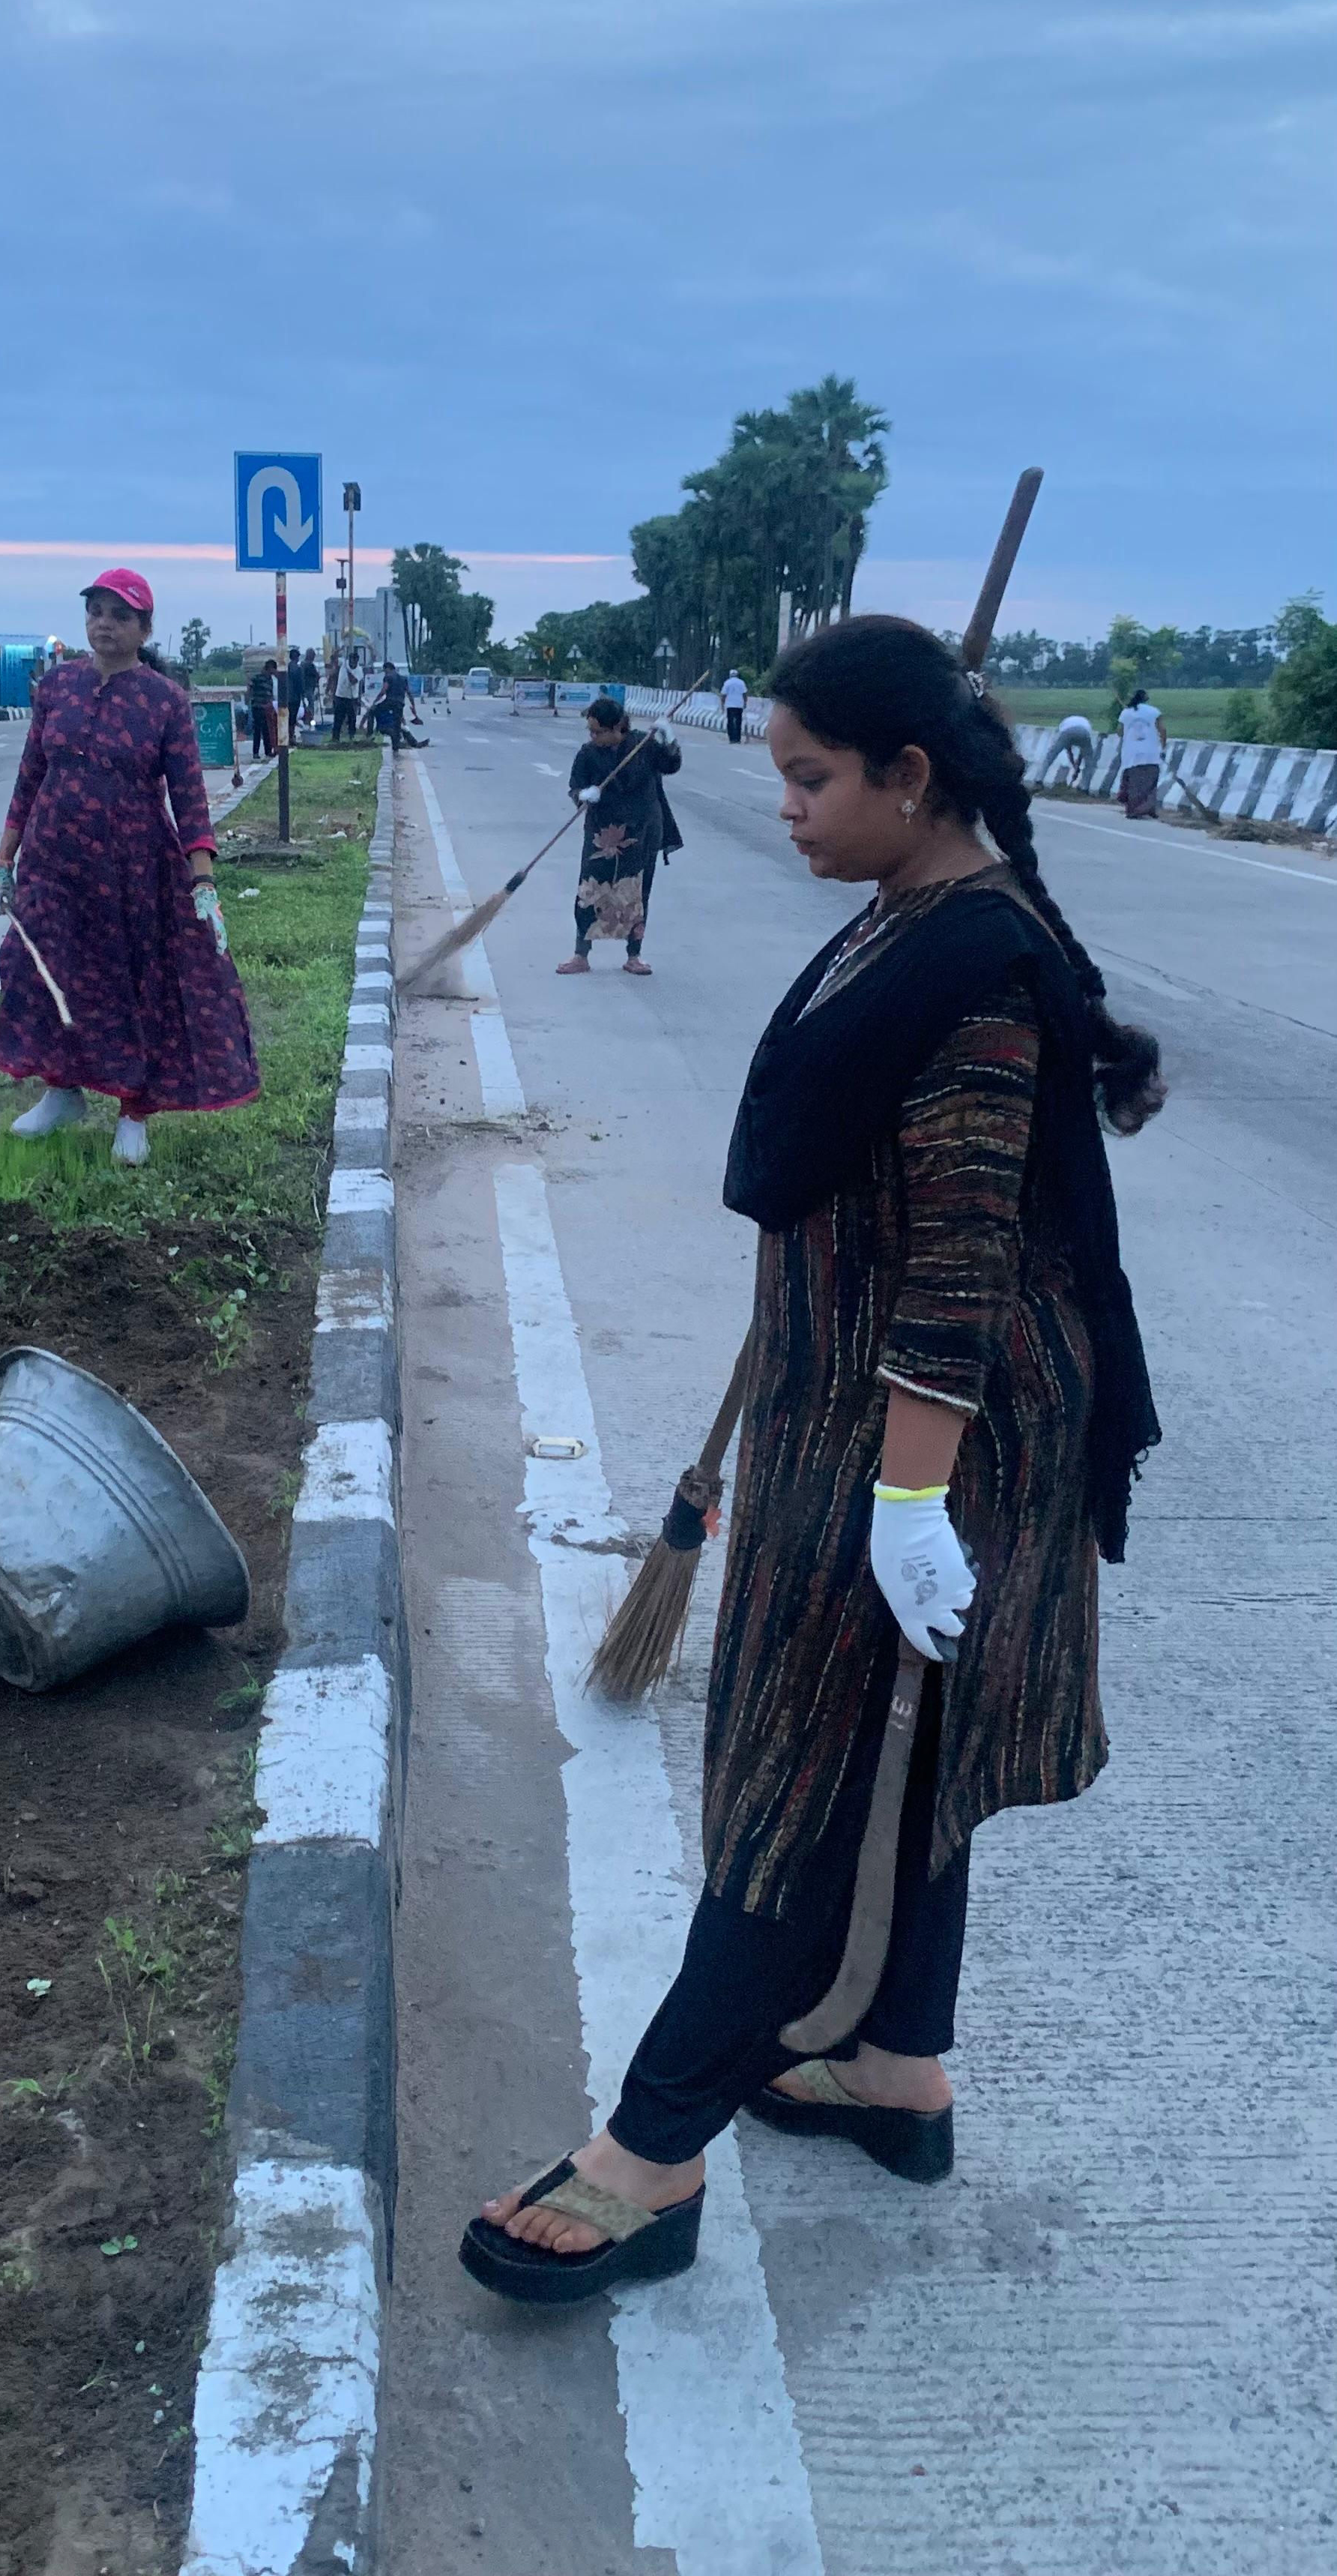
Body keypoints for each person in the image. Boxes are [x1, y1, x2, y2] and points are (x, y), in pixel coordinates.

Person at [461, 616, 1162, 2307]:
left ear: (908, 776)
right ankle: (891, 2065)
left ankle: (652, 2149)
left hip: (928, 1438)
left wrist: (909, 1502)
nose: (780, 804)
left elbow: (963, 1266)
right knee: (897, 1761)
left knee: (807, 1776)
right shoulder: (917, 912)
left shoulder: (976, 965)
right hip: (852, 1403)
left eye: (810, 776)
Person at [0, 568, 258, 1169]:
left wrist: (204, 883)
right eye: (96, 611)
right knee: (44, 971)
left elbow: (189, 799)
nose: (104, 624)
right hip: (54, 864)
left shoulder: (164, 701)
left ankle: (134, 1111)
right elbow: (30, 778)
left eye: (120, 615)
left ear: (144, 629)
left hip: (133, 871)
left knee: (133, 985)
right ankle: (61, 1092)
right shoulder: (57, 687)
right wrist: (5, 859)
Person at [555, 697, 681, 978]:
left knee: (637, 890)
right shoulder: (588, 754)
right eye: (590, 731)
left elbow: (671, 765)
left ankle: (634, 955)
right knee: (590, 888)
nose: (593, 736)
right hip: (602, 833)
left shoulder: (644, 744)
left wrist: (669, 739)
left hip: (642, 830)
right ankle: (581, 954)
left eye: (598, 731)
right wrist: (583, 795)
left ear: (617, 728)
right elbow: (575, 787)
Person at [1117, 687, 1165, 818]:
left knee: (1134, 784)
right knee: (1150, 783)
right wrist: (1163, 747)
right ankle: (1148, 808)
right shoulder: (1154, 711)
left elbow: (1120, 732)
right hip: (1151, 753)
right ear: (1145, 698)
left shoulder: (1126, 713)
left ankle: (1133, 810)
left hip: (1131, 754)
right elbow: (1162, 730)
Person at [1050, 711, 1096, 786]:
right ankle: (1085, 786)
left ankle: (1039, 780)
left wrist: (1075, 765)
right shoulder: (1086, 722)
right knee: (1089, 762)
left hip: (1068, 732)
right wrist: (1076, 765)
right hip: (1084, 732)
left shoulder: (1065, 722)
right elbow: (1083, 751)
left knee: (1050, 756)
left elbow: (1069, 751)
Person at [248, 660, 279, 760]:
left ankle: (268, 751)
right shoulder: (258, 677)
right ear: (270, 668)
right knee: (257, 730)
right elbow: (249, 686)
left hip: (267, 708)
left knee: (267, 730)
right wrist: (252, 698)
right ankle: (256, 753)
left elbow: (270, 694)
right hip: (258, 707)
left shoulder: (270, 679)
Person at [331, 651, 360, 745]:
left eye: (354, 662)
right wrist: (338, 651)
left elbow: (353, 681)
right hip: (340, 696)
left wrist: (348, 671)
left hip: (351, 698)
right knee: (338, 718)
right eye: (351, 661)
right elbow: (333, 659)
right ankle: (335, 737)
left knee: (352, 718)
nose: (352, 664)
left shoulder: (359, 670)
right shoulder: (344, 663)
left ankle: (352, 736)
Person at [722, 667, 749, 744]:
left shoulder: (727, 682)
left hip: (730, 705)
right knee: (738, 722)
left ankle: (732, 739)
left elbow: (723, 695)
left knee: (730, 721)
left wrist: (722, 704)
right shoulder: (741, 682)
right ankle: (738, 739)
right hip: (739, 705)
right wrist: (745, 703)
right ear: (737, 675)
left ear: (730, 675)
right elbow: (744, 694)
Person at [299, 648, 320, 726]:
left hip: (310, 688)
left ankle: (309, 719)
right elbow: (304, 677)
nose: (314, 657)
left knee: (311, 704)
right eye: (313, 655)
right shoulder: (306, 665)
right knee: (309, 705)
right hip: (307, 689)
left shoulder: (311, 665)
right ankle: (308, 719)